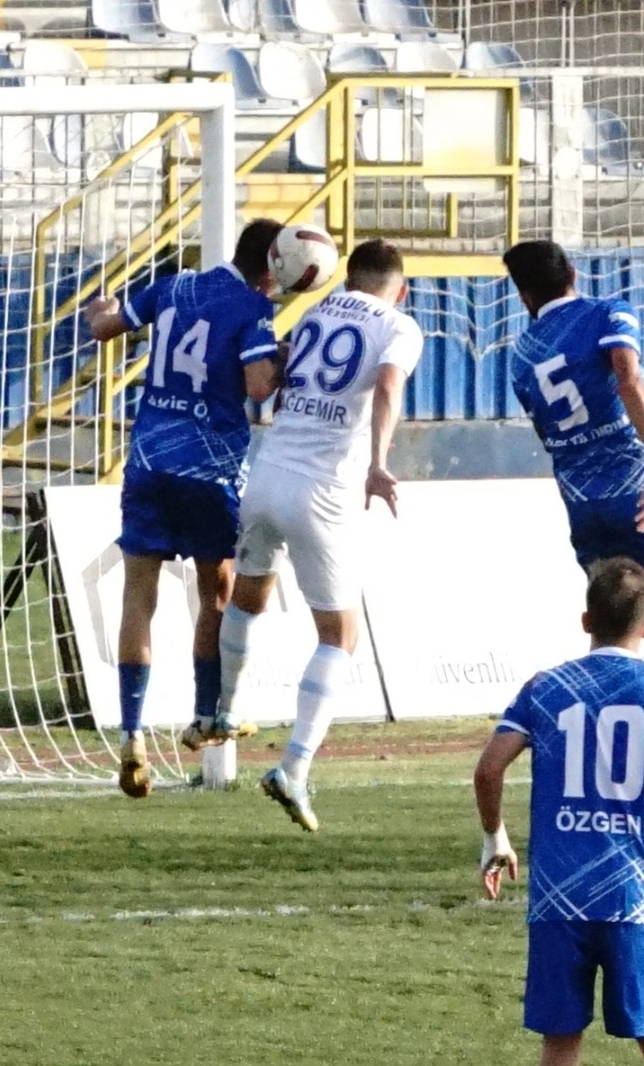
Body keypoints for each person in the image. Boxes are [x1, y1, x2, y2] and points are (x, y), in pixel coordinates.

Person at [475, 556, 644, 1066]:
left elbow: (489, 769)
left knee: (561, 1042)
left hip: (559, 897)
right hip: (635, 898)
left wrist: (495, 835)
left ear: (586, 621)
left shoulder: (545, 688)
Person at [215, 239, 423, 831]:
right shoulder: (399, 326)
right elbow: (386, 386)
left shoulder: (314, 312)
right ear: (399, 288)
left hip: (267, 471)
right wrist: (380, 463)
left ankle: (225, 711)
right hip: (323, 489)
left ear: (345, 277)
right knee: (339, 634)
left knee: (248, 595)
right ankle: (295, 769)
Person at [82, 219, 284, 798]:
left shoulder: (172, 287)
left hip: (148, 460)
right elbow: (260, 386)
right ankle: (204, 715)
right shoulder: (252, 308)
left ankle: (132, 736)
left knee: (137, 596)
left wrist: (103, 307)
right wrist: (287, 357)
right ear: (272, 268)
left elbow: (104, 327)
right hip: (210, 471)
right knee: (213, 591)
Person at [503, 240, 644, 714]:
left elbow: (554, 429)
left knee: (614, 617)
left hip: (582, 501)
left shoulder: (521, 355)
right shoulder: (608, 312)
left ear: (523, 296)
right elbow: (627, 376)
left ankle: (604, 718)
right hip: (637, 490)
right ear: (573, 273)